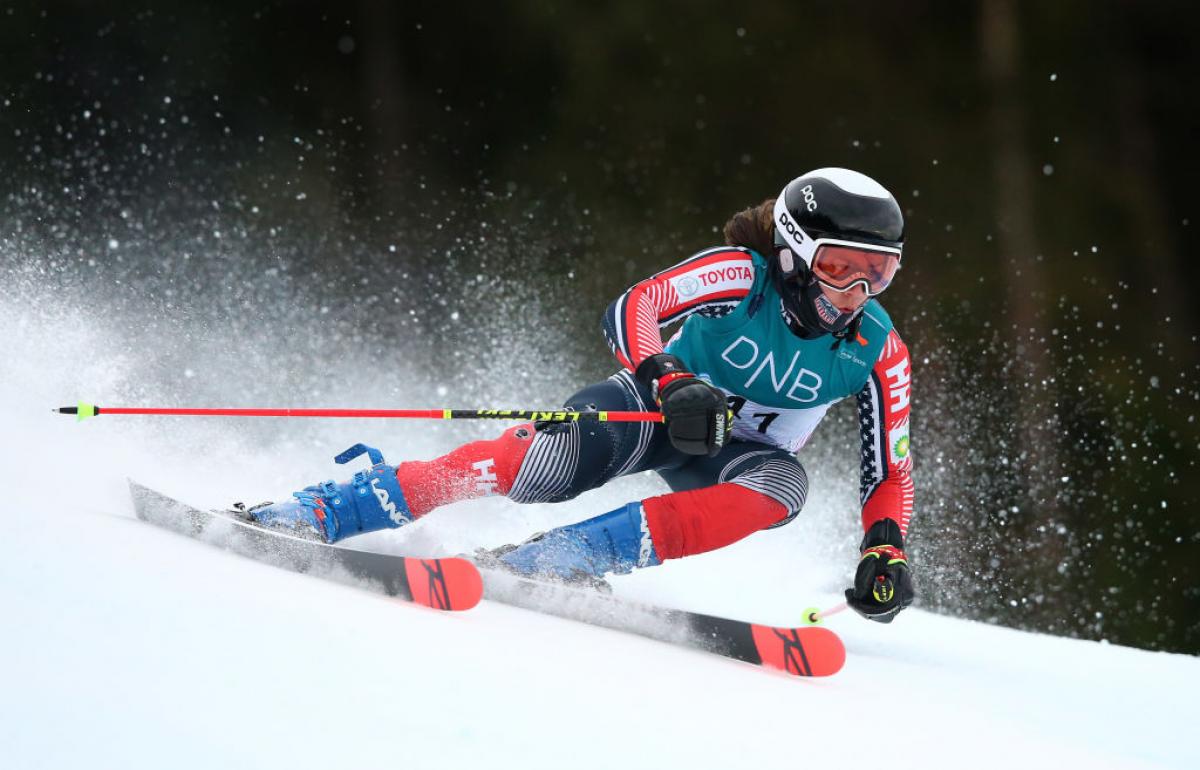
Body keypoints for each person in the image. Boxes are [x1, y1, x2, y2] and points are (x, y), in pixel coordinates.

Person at [249, 168, 916, 622]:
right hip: (655, 410)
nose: (854, 293)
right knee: (548, 467)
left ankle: (566, 557)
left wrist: (883, 548)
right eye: (838, 267)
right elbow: (636, 305)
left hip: (735, 455)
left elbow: (889, 470)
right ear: (796, 253)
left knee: (784, 489)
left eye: (877, 274)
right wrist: (670, 380)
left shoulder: (878, 349)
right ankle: (333, 508)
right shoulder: (741, 275)